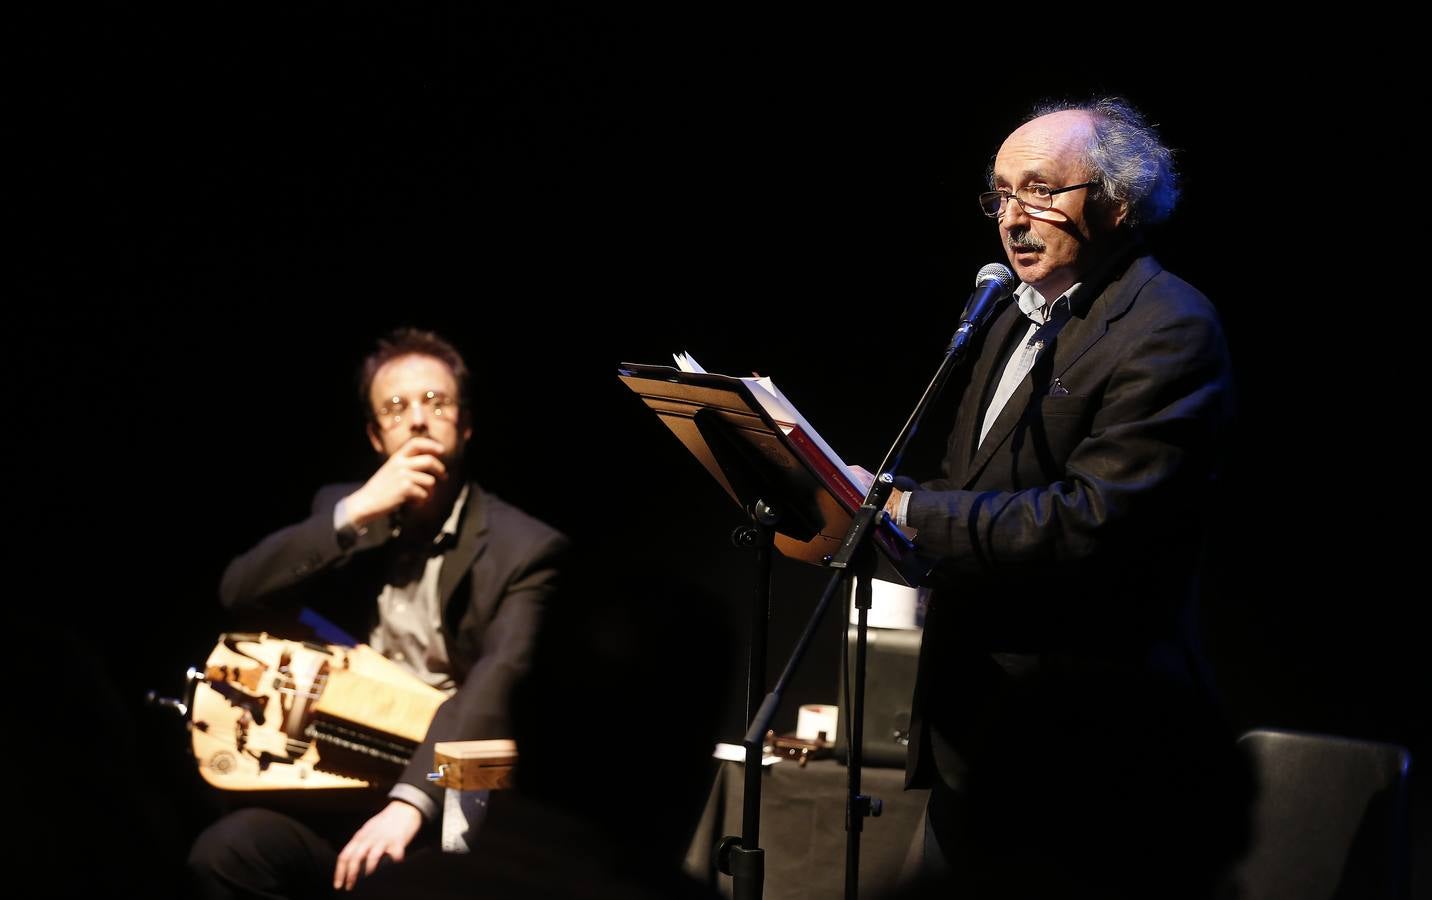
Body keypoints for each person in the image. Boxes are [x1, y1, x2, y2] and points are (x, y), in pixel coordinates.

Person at [876, 98, 1244, 895]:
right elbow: (965, 486)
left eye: (1041, 191)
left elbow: (1093, 519)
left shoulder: (1168, 326)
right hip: (976, 719)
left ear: (1117, 201)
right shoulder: (1008, 315)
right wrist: (864, 512)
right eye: (1001, 194)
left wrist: (914, 513)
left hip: (1087, 746)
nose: (1013, 217)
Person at [189, 327, 569, 897]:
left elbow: (495, 689)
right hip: (342, 779)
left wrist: (411, 803)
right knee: (228, 852)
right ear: (374, 434)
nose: (417, 418)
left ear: (465, 425)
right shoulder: (346, 517)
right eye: (396, 407)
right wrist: (358, 509)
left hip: (456, 788)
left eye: (435, 402)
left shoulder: (525, 549)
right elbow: (237, 592)